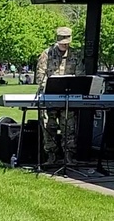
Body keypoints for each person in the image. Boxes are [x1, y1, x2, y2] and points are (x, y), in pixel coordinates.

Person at [35, 26, 85, 165]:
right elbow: (40, 76)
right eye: (62, 41)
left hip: (68, 98)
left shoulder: (75, 55)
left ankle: (68, 156)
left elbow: (80, 75)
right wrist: (49, 89)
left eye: (67, 41)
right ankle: (51, 155)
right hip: (49, 97)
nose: (64, 44)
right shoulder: (46, 54)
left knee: (69, 127)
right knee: (48, 126)